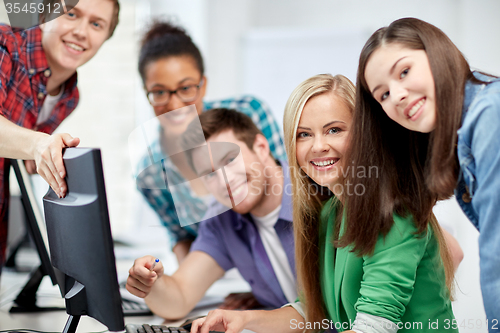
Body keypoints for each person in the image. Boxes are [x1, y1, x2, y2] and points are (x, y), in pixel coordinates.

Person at [190, 74, 459, 333]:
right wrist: (243, 319)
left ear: (365, 132)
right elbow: (314, 313)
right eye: (304, 135)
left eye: (334, 130)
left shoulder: (393, 209)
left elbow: (372, 327)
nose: (318, 146)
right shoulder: (331, 213)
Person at [358, 17, 499, 331]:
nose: (397, 95)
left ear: (435, 52)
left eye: (404, 71)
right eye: (382, 95)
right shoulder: (463, 131)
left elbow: (498, 255)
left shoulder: (490, 115)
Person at [135, 20, 286, 265]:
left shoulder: (249, 113)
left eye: (185, 88)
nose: (174, 105)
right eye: (160, 92)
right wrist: (182, 285)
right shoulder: (150, 174)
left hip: (290, 257)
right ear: (147, 94)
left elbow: (294, 191)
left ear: (203, 85)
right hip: (225, 277)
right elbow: (182, 238)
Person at [126, 108, 295, 319]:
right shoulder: (221, 219)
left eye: (230, 159)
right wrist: (150, 282)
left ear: (261, 147)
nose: (225, 181)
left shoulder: (321, 195)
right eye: (209, 174)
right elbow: (179, 298)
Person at [0, 0, 120, 274]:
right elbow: (31, 143)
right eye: (71, 14)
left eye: (96, 24)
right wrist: (36, 144)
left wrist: (37, 155)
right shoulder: (4, 43)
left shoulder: (69, 96)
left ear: (105, 37)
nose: (81, 31)